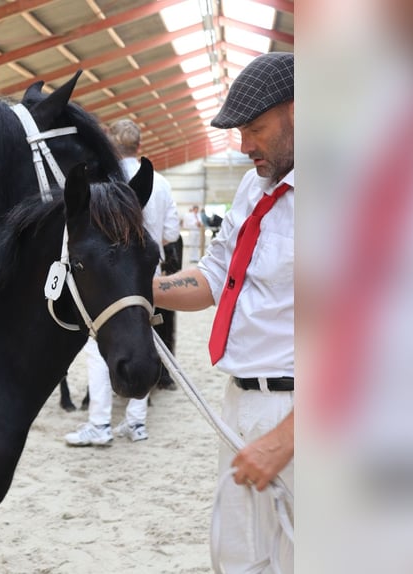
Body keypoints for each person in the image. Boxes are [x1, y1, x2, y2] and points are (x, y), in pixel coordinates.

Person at [152, 52, 294, 573]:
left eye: (255, 127)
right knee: (237, 559)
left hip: (302, 414)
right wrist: (141, 289)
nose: (244, 144)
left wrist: (286, 438)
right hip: (240, 404)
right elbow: (215, 275)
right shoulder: (252, 187)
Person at [64, 118, 180, 446]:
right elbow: (171, 234)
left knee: (98, 346)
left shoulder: (104, 181)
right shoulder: (161, 183)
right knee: (145, 339)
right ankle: (136, 423)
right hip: (146, 278)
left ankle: (100, 424)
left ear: (111, 145)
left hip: (113, 281)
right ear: (139, 146)